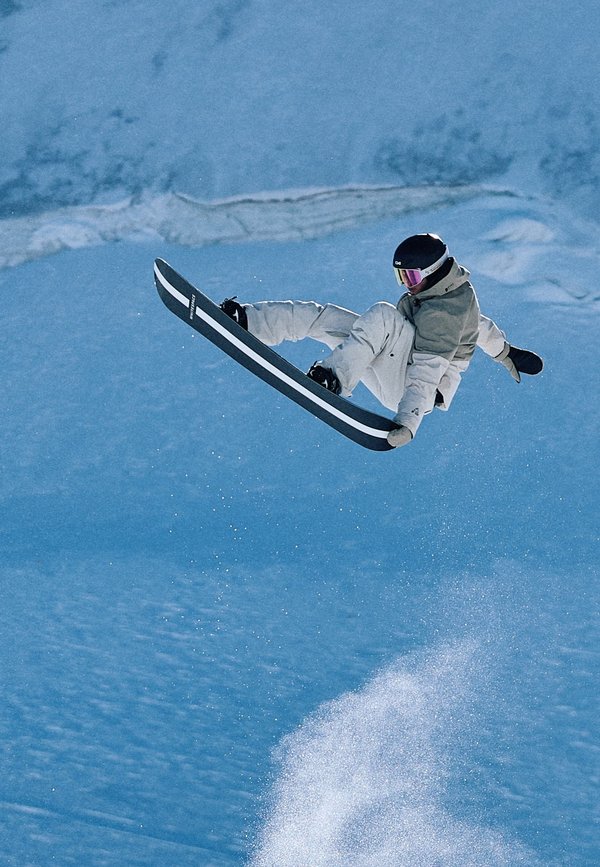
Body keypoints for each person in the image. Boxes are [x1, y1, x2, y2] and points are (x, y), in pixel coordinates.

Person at [220, 233, 543, 448]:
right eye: (401, 277)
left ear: (433, 271)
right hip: (398, 365)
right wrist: (506, 353)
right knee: (327, 318)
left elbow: (427, 373)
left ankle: (333, 378)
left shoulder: (443, 313)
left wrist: (408, 423)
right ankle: (250, 320)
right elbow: (479, 328)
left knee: (383, 316)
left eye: (412, 277)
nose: (406, 285)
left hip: (409, 388)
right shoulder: (447, 294)